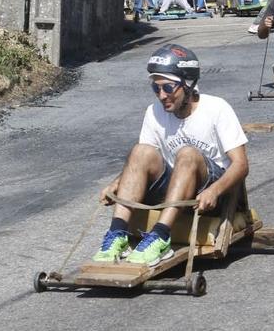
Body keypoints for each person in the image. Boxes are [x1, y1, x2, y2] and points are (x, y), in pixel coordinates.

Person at [93, 44, 250, 266]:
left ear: (187, 85)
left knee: (186, 154)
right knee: (140, 151)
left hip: (211, 192)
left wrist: (215, 190)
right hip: (174, 191)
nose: (162, 95)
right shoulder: (153, 112)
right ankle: (117, 235)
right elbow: (139, 164)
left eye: (168, 87)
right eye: (156, 89)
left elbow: (241, 165)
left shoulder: (217, 108)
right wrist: (115, 184)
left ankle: (161, 237)